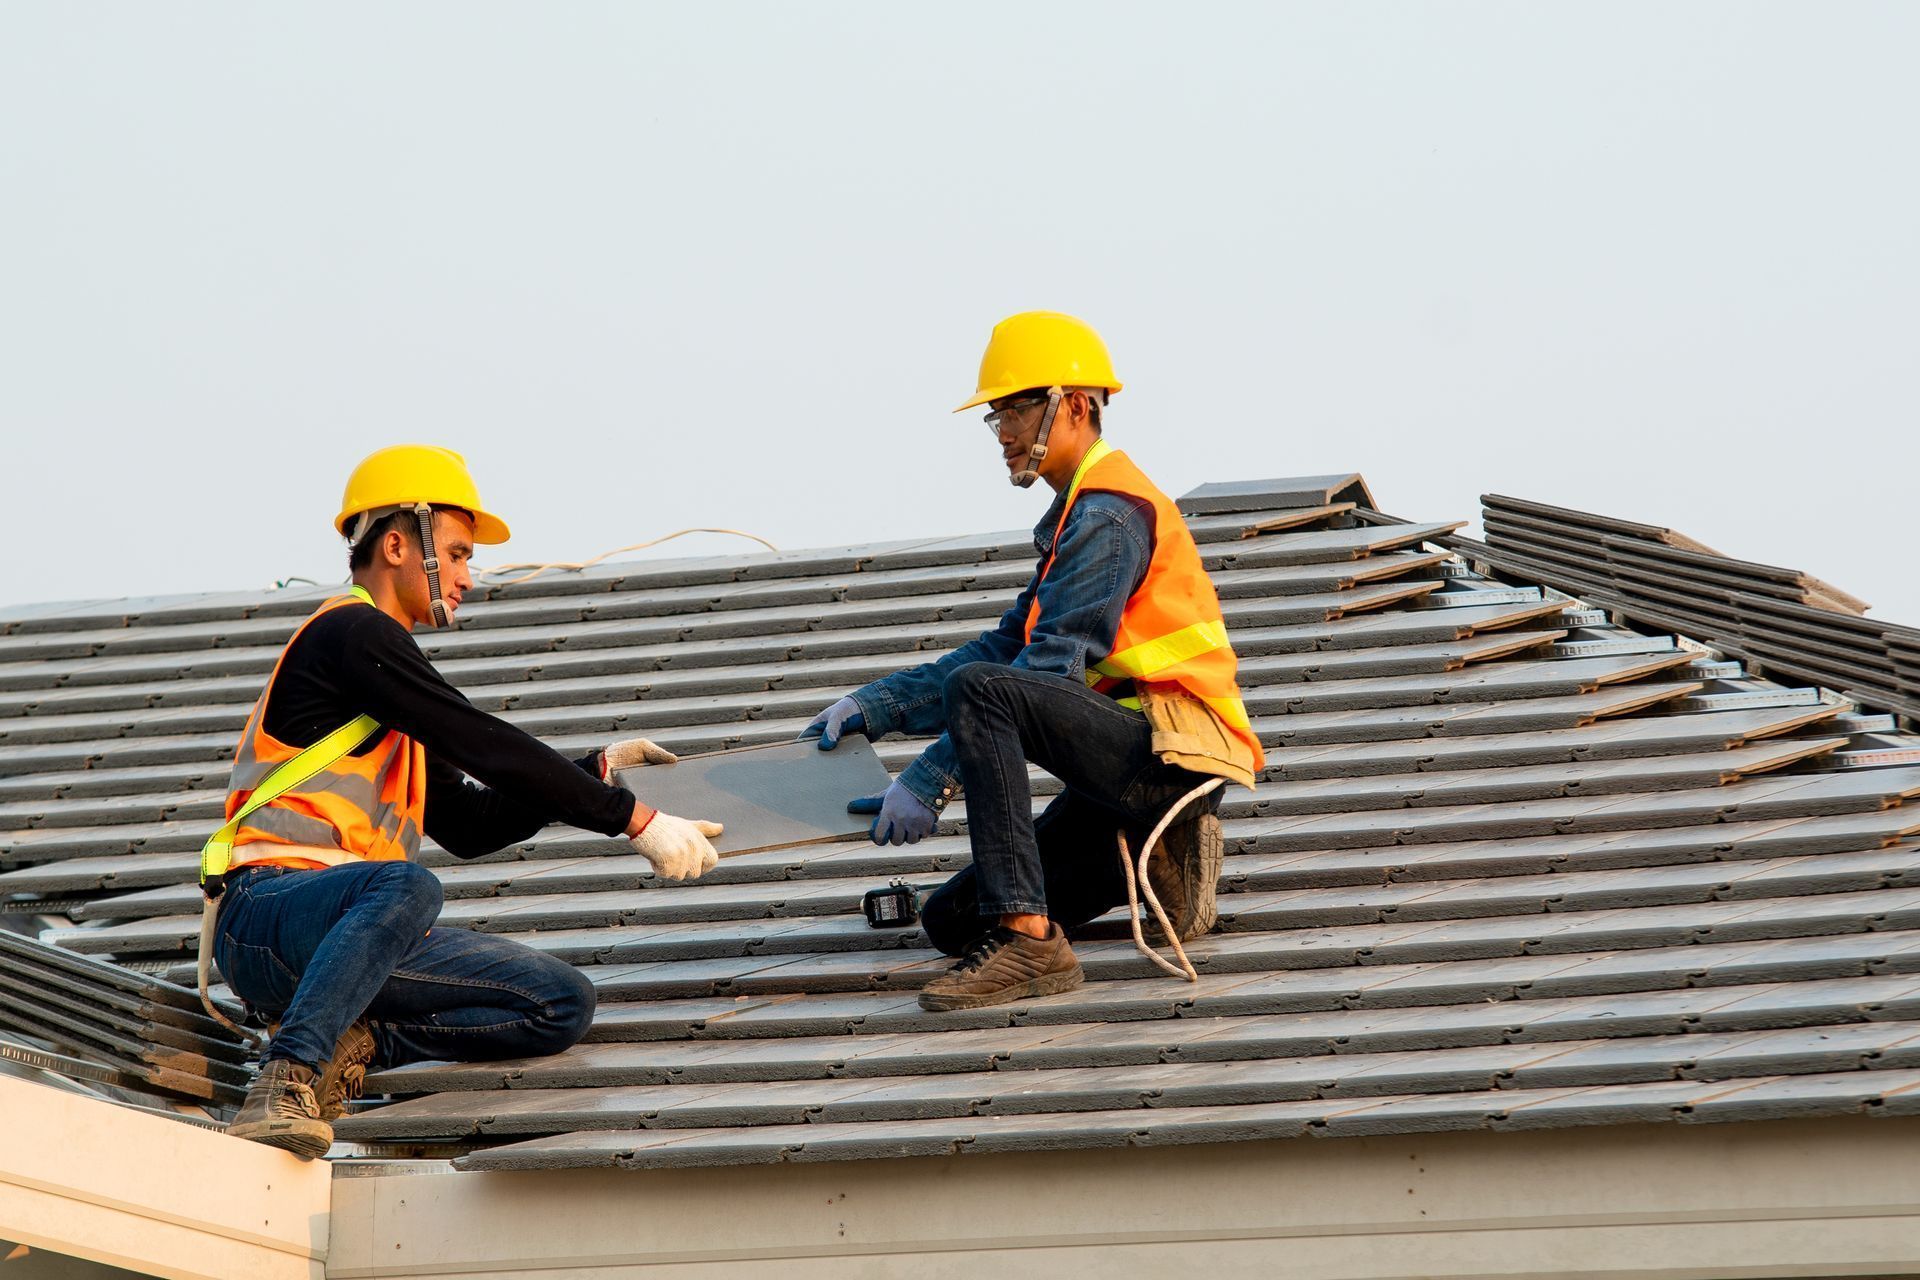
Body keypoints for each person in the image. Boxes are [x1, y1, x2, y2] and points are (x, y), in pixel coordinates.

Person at [212, 444, 724, 1157]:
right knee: (408, 885)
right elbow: (484, 740)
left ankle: (350, 1041)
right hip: (266, 919)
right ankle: (285, 1074)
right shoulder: (353, 635)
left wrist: (597, 770)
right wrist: (632, 819)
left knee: (561, 1002)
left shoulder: (385, 685)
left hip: (352, 941)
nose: (467, 579)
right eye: (455, 554)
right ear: (397, 544)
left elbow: (472, 825)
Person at [805, 313, 1264, 1011]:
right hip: (1123, 777)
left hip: (1172, 758)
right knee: (952, 921)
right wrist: (877, 705)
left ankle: (1030, 939)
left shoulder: (1109, 515)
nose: (1005, 434)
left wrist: (929, 778)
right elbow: (1003, 650)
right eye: (996, 418)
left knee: (986, 692)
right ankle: (1159, 869)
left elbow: (1038, 675)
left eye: (1017, 409)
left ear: (1076, 405)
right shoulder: (1078, 516)